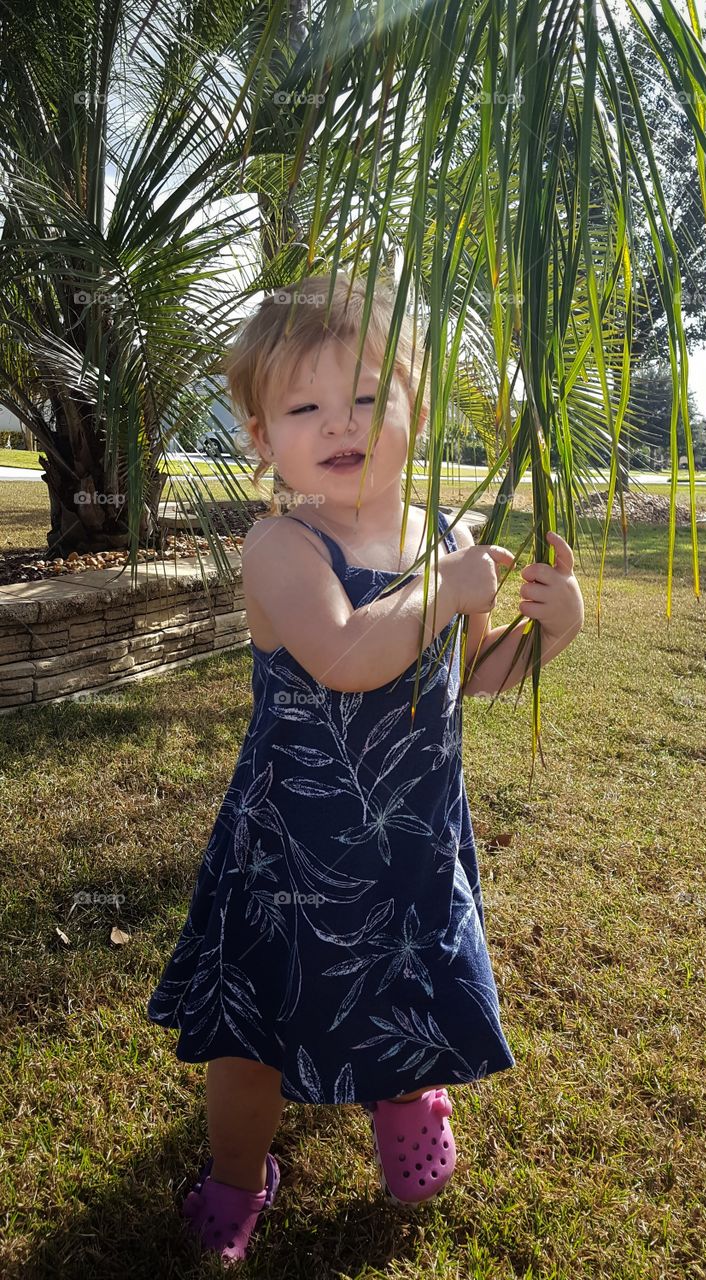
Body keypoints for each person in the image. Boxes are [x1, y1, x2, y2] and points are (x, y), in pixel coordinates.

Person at [147, 272, 585, 1265]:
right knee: (251, 1038)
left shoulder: (444, 539)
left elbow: (472, 675)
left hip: (409, 839)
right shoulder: (280, 546)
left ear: (415, 408)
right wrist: (440, 587)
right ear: (263, 439)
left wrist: (552, 631)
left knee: (402, 993)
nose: (338, 423)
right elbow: (347, 657)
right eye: (303, 406)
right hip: (293, 854)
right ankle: (234, 1178)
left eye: (366, 396)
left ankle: (404, 1104)